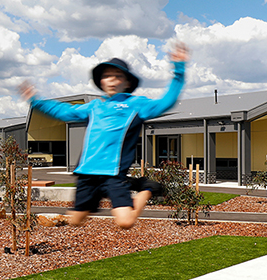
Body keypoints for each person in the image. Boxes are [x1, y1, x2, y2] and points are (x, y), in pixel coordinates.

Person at [19, 41, 189, 229]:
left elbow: (167, 101)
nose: (113, 80)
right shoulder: (94, 107)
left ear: (127, 82)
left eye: (118, 76)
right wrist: (36, 101)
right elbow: (64, 111)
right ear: (101, 82)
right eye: (108, 76)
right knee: (76, 220)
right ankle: (131, 184)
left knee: (126, 222)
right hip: (87, 174)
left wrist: (179, 69)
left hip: (113, 175)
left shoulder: (137, 105)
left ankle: (146, 188)